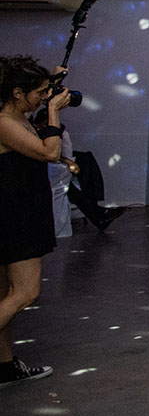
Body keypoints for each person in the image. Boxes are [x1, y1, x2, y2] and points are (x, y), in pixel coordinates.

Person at [0, 56, 71, 388]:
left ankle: (4, 366)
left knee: (7, 293)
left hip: (19, 210)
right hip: (15, 215)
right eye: (39, 93)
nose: (44, 97)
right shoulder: (4, 122)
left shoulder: (18, 116)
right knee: (25, 293)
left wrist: (51, 82)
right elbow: (49, 152)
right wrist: (55, 112)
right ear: (17, 92)